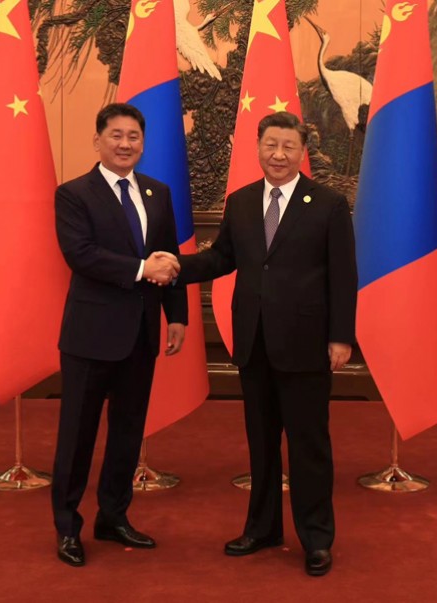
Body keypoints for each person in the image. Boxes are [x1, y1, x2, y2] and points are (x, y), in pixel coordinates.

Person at [162, 112, 357, 576]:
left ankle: (316, 538)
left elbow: (343, 275)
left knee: (309, 447)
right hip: (254, 342)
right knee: (261, 443)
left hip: (307, 345)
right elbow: (222, 258)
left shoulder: (328, 204)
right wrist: (177, 266)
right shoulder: (242, 201)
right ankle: (263, 528)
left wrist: (340, 337)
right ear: (257, 148)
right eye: (271, 145)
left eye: (289, 146)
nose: (279, 155)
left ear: (302, 151)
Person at [51, 103, 186, 567]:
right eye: (116, 135)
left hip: (141, 335)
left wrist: (177, 315)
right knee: (77, 436)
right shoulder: (74, 194)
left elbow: (169, 256)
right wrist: (141, 269)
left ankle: (113, 516)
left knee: (128, 434)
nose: (125, 144)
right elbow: (81, 254)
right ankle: (68, 527)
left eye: (133, 137)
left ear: (143, 144)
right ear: (98, 141)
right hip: (90, 337)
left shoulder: (157, 193)